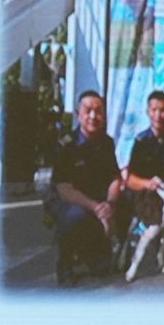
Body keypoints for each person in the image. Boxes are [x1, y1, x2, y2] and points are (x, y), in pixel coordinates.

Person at [50, 89, 123, 286]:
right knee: (76, 214)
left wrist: (110, 204)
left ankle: (97, 253)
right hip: (71, 202)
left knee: (126, 202)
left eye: (98, 111)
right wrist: (96, 207)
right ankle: (65, 262)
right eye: (88, 110)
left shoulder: (106, 143)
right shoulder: (67, 145)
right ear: (78, 114)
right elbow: (63, 188)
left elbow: (115, 179)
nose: (93, 116)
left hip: (99, 202)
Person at [122, 89, 164, 240]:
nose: (158, 115)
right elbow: (130, 178)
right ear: (148, 112)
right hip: (146, 192)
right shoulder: (141, 141)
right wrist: (147, 183)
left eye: (162, 111)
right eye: (154, 110)